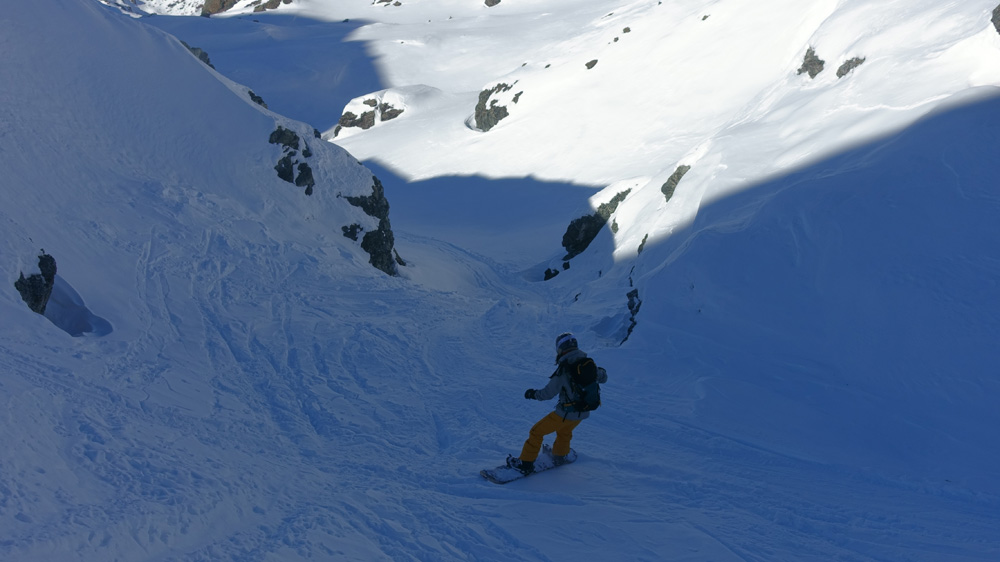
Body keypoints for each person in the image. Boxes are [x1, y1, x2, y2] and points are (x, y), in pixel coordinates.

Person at [507, 332, 607, 474]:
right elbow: (603, 377)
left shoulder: (564, 370)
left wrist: (533, 394)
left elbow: (548, 394)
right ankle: (560, 456)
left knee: (536, 432)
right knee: (564, 431)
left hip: (565, 414)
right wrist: (598, 371)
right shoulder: (587, 364)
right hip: (583, 412)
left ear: (560, 349)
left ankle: (525, 463)